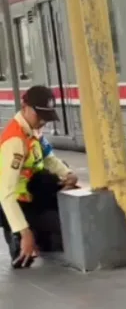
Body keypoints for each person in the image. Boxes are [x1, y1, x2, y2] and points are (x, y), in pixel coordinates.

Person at [0, 86, 79, 268]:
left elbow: (48, 158)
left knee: (65, 232)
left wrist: (67, 174)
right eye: (40, 115)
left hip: (33, 194)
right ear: (24, 107)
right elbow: (5, 195)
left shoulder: (32, 129)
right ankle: (16, 233)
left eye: (47, 116)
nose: (43, 121)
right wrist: (24, 232)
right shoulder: (15, 141)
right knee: (24, 258)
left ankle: (40, 236)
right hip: (12, 203)